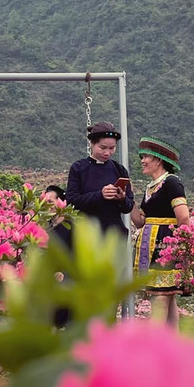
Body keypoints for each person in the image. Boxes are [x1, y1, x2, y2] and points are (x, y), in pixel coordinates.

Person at [130, 137, 189, 328]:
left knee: (161, 297)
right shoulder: (150, 188)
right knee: (167, 298)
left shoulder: (171, 183)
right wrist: (127, 201)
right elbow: (140, 221)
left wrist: (175, 246)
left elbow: (183, 217)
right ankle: (172, 343)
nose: (142, 161)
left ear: (158, 160)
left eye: (146, 157)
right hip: (152, 245)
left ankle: (154, 343)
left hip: (165, 245)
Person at [65, 122, 134, 236]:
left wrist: (122, 199)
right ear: (91, 143)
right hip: (86, 235)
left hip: (113, 235)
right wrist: (100, 195)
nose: (107, 153)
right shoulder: (78, 168)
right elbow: (71, 202)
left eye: (112, 148)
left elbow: (128, 207)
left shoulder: (119, 170)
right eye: (102, 148)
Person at [39, 184, 74, 328]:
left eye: (50, 202)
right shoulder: (44, 226)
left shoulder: (71, 227)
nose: (47, 206)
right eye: (44, 202)